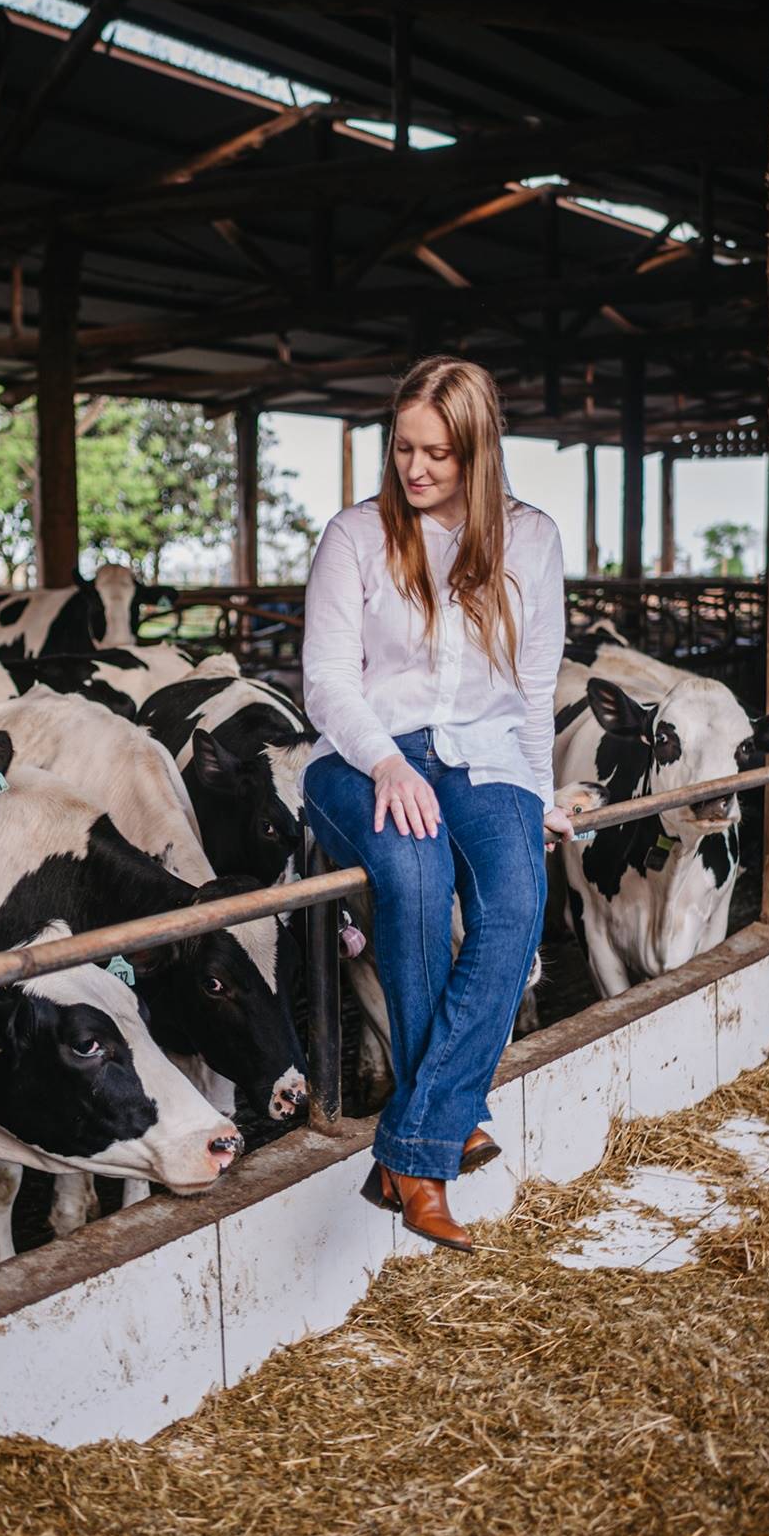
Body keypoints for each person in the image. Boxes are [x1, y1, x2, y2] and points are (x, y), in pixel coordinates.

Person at [300, 356, 573, 1252]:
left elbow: (534, 689)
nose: (414, 469)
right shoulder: (355, 535)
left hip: (485, 756)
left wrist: (537, 794)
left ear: (479, 452)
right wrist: (387, 764)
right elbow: (326, 681)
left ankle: (416, 1138)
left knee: (518, 901)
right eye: (403, 448)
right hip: (361, 753)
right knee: (416, 879)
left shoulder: (531, 539)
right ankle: (438, 1148)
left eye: (438, 454)